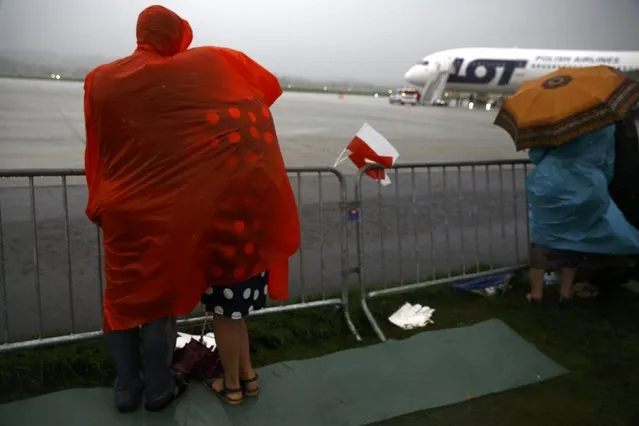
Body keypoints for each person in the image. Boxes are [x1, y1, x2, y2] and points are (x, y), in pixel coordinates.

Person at [83, 5, 300, 412]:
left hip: (118, 213)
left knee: (120, 303)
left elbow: (96, 150)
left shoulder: (100, 79)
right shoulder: (185, 75)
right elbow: (249, 89)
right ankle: (160, 389)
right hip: (166, 211)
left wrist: (98, 202)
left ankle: (127, 389)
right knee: (159, 302)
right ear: (173, 35)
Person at [525, 124, 639, 303]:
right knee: (574, 237)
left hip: (550, 182)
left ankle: (536, 294)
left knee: (541, 238)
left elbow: (536, 155)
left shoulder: (558, 119)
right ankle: (565, 292)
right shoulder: (606, 125)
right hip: (587, 184)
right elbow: (608, 160)